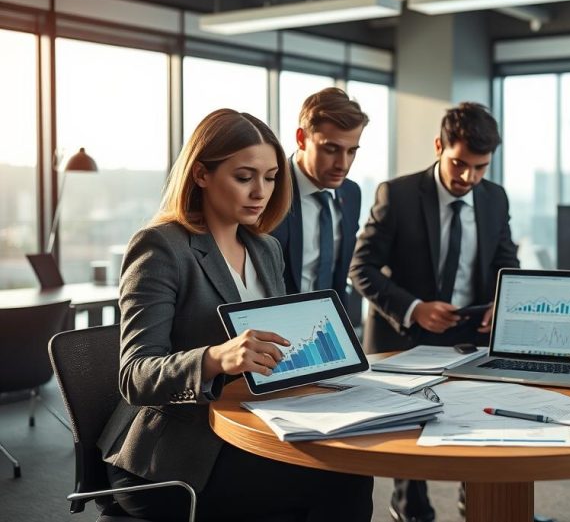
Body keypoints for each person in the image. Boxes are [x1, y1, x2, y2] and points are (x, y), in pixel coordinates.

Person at [98, 109, 373, 522]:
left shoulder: (265, 249)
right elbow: (134, 375)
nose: (259, 191)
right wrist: (215, 358)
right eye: (244, 177)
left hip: (250, 422)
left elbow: (275, 353)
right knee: (335, 484)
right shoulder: (161, 248)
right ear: (202, 175)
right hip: (172, 454)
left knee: (350, 471)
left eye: (270, 177)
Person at [349, 102, 520, 522]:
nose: (469, 177)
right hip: (408, 333)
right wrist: (414, 308)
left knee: (479, 428)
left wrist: (503, 302)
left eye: (480, 167)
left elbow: (507, 263)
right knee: (411, 444)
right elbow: (361, 267)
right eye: (460, 164)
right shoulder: (399, 194)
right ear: (439, 145)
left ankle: (475, 502)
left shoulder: (495, 198)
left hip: (471, 332)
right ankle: (409, 508)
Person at [270, 87, 367, 311]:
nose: (343, 164)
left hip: (329, 327)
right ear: (301, 139)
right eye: (331, 149)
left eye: (352, 151)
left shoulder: (351, 193)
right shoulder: (270, 188)